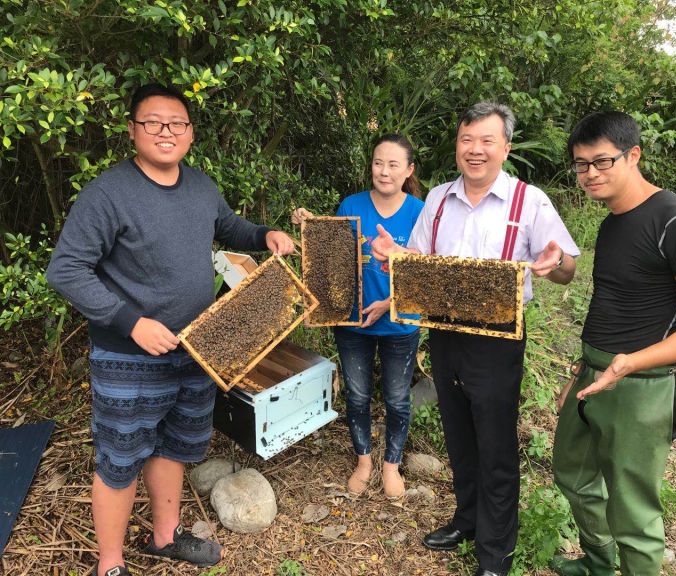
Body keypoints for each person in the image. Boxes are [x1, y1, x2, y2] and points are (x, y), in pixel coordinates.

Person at [46, 83, 295, 576]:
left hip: (198, 349)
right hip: (129, 356)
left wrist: (264, 234)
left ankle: (164, 537)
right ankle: (110, 564)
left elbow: (228, 226)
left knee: (173, 446)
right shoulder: (108, 193)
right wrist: (131, 323)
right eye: (153, 122)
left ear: (190, 133)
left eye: (176, 123)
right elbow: (66, 269)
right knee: (120, 460)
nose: (166, 132)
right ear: (133, 130)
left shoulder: (200, 186)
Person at [371, 102, 580, 576]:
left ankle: (495, 549)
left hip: (498, 339)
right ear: (457, 145)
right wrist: (394, 257)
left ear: (505, 147)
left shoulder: (531, 201)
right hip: (444, 331)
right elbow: (419, 260)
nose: (476, 150)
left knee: (496, 442)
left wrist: (557, 263)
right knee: (458, 434)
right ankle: (466, 519)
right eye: (468, 140)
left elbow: (566, 267)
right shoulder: (439, 199)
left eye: (487, 140)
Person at [550, 111, 676, 576]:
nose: (590, 173)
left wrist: (629, 364)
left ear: (634, 155)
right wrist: (581, 370)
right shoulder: (613, 222)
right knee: (573, 476)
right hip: (595, 373)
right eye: (581, 164)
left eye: (602, 161)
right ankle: (598, 564)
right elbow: (613, 305)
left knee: (633, 512)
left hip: (643, 386)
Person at [292, 133, 425, 498]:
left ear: (408, 170)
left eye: (393, 164)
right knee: (357, 395)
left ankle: (392, 466)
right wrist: (309, 226)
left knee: (398, 398)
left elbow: (426, 274)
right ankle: (364, 461)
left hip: (400, 322)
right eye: (378, 162)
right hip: (353, 324)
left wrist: (390, 302)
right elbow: (333, 261)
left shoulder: (420, 211)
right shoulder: (350, 204)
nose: (384, 171)